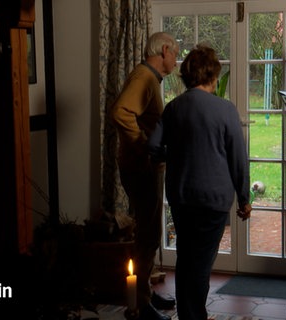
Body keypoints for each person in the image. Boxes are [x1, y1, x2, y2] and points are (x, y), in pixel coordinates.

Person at [148, 44, 252, 320]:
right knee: (202, 263)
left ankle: (190, 314)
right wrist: (244, 198)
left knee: (186, 258)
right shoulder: (225, 110)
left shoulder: (173, 108)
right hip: (213, 200)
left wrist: (172, 155)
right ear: (212, 75)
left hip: (182, 196)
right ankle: (194, 316)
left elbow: (154, 145)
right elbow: (238, 158)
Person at [109, 32, 179, 320]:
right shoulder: (144, 77)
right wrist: (143, 145)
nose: (176, 60)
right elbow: (121, 112)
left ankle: (144, 295)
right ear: (164, 51)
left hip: (145, 167)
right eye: (175, 53)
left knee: (149, 233)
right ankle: (141, 303)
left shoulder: (149, 78)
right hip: (142, 168)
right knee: (148, 235)